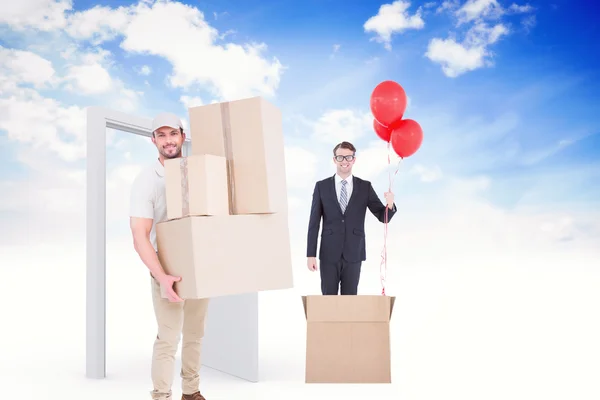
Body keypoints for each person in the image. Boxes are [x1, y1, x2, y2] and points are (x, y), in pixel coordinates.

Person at [129, 112, 209, 400]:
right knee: (168, 337)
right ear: (153, 141)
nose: (168, 140)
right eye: (160, 135)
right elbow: (139, 237)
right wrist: (162, 277)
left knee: (195, 334)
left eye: (172, 134)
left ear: (182, 136)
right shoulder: (147, 181)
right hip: (165, 266)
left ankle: (192, 392)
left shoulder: (194, 173)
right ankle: (161, 395)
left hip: (196, 264)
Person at [306, 141, 397, 295]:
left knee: (350, 301)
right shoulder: (321, 186)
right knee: (329, 300)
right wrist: (310, 254)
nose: (345, 161)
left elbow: (383, 216)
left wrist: (390, 204)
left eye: (348, 157)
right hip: (329, 252)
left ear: (354, 160)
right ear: (334, 159)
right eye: (340, 157)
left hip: (354, 252)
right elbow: (314, 223)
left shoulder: (364, 187)